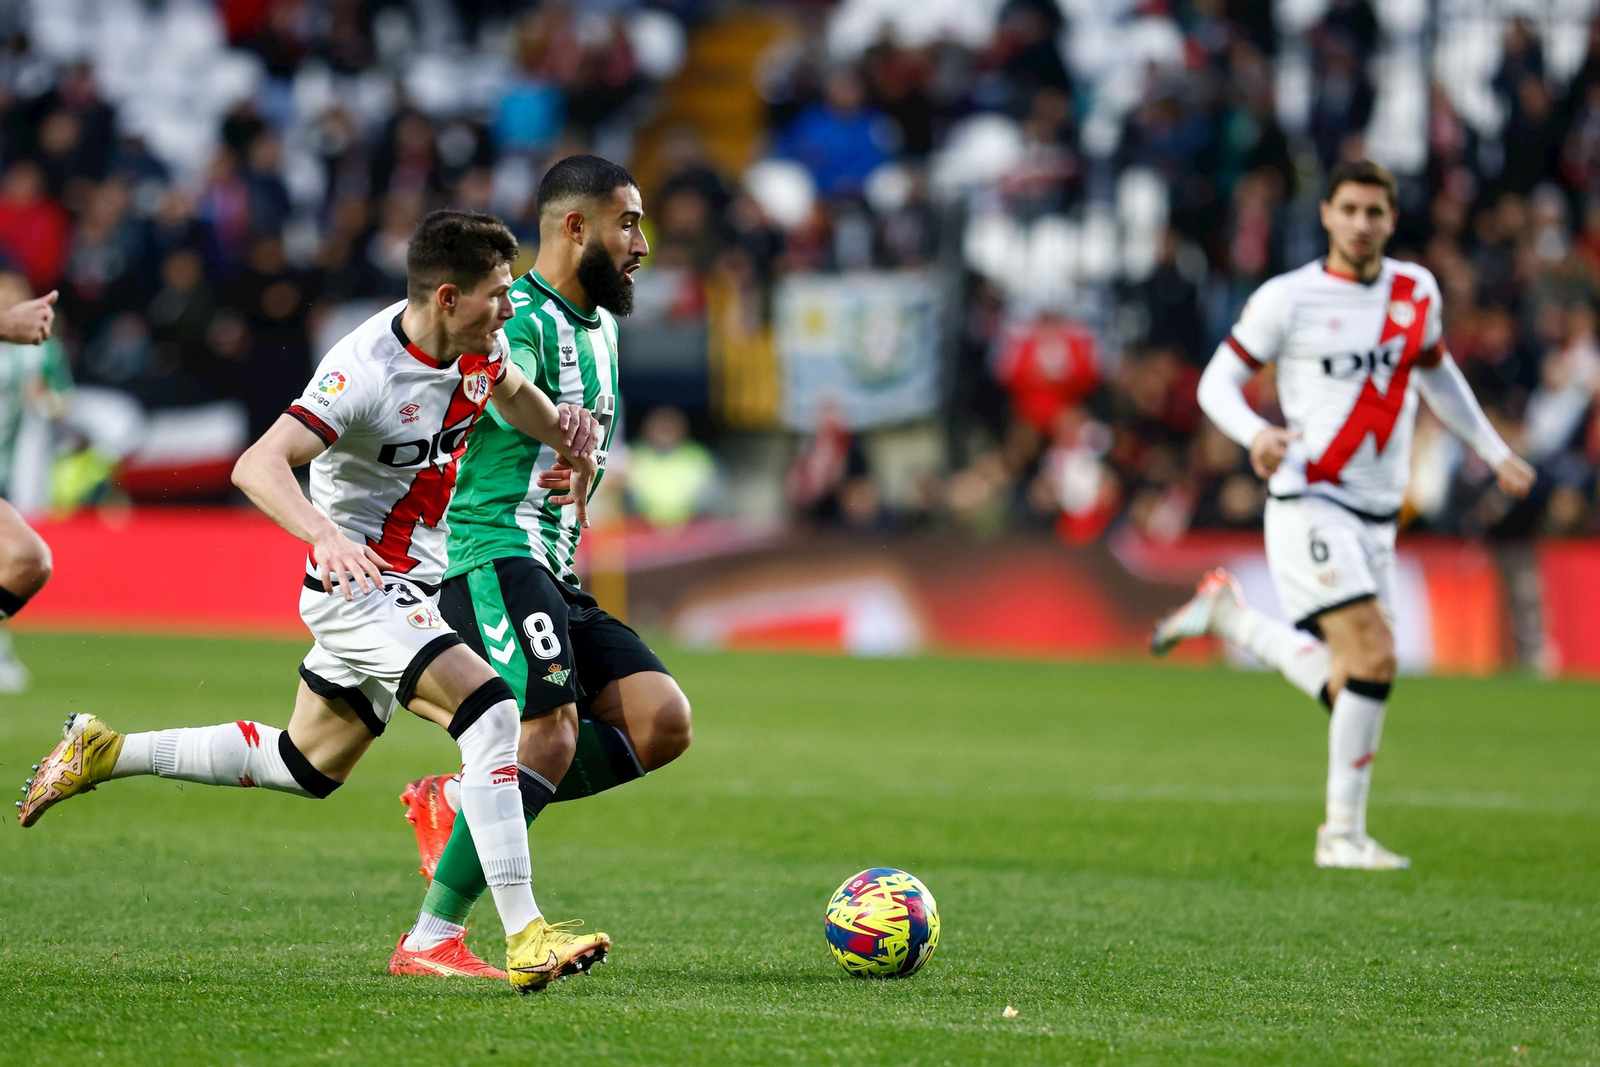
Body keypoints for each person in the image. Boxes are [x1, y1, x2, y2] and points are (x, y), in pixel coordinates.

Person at [17, 210, 613, 993]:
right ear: (445, 297)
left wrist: (572, 439)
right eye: (497, 295)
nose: (510, 308)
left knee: (304, 763)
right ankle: (521, 932)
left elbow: (518, 396)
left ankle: (104, 749)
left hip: (408, 583)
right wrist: (322, 534)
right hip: (359, 586)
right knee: (495, 714)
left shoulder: (480, 347)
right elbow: (257, 464)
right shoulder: (363, 370)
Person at [1151, 160, 1535, 870]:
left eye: (1376, 212)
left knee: (1355, 676)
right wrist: (1256, 434)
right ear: (1326, 213)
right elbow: (1216, 382)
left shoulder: (1416, 291)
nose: (1362, 224)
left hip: (1379, 515)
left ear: (1392, 220)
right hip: (1309, 499)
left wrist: (1492, 447)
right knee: (1378, 655)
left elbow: (1436, 372)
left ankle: (1232, 619)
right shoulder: (1288, 298)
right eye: (1350, 209)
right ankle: (1341, 836)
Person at [388, 156, 693, 980]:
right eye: (627, 223)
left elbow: (580, 443)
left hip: (555, 568)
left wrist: (582, 466)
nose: (642, 244)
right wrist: (552, 439)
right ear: (574, 227)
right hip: (493, 551)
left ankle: (460, 805)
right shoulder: (511, 316)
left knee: (662, 720)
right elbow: (480, 394)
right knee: (546, 733)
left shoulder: (605, 330)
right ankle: (430, 938)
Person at [0, 274, 71, 691]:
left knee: (27, 559)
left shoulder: (39, 352)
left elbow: (62, 401)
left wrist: (43, 400)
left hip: (15, 469)